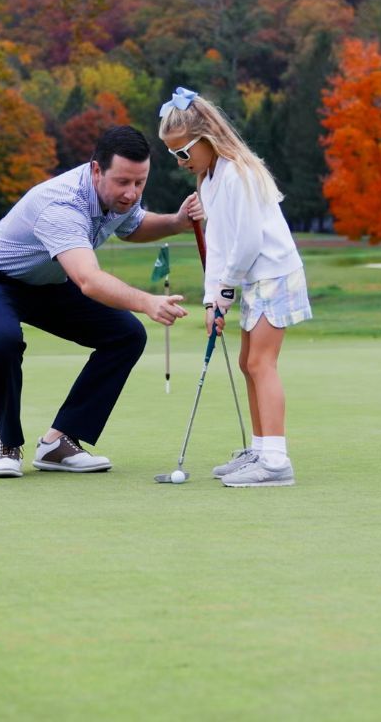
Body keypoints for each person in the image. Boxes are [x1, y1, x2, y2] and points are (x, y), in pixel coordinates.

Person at [0, 125, 199, 478]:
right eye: (123, 182)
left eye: (139, 182)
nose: (132, 193)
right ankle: (8, 443)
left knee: (126, 336)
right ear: (96, 170)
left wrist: (176, 222)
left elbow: (132, 226)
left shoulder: (116, 195)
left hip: (49, 283)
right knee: (3, 340)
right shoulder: (61, 204)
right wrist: (146, 301)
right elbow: (88, 280)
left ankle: (59, 441)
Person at [155, 87, 311, 488]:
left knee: (261, 363)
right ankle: (260, 450)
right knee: (247, 363)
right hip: (254, 277)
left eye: (183, 152)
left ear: (206, 140)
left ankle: (276, 462)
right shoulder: (209, 180)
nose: (180, 162)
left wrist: (224, 293)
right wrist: (212, 300)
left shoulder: (238, 173)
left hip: (274, 273)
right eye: (174, 155)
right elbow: (221, 246)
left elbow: (246, 244)